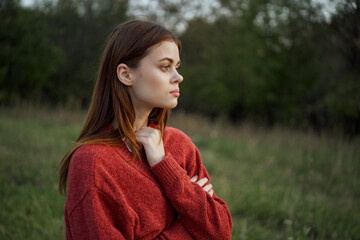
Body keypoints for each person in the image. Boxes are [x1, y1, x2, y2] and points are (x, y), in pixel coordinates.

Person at [58, 20, 232, 240]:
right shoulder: (92, 163)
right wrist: (187, 226)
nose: (178, 77)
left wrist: (164, 165)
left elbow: (221, 231)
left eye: (176, 67)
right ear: (126, 75)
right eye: (165, 66)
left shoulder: (179, 144)